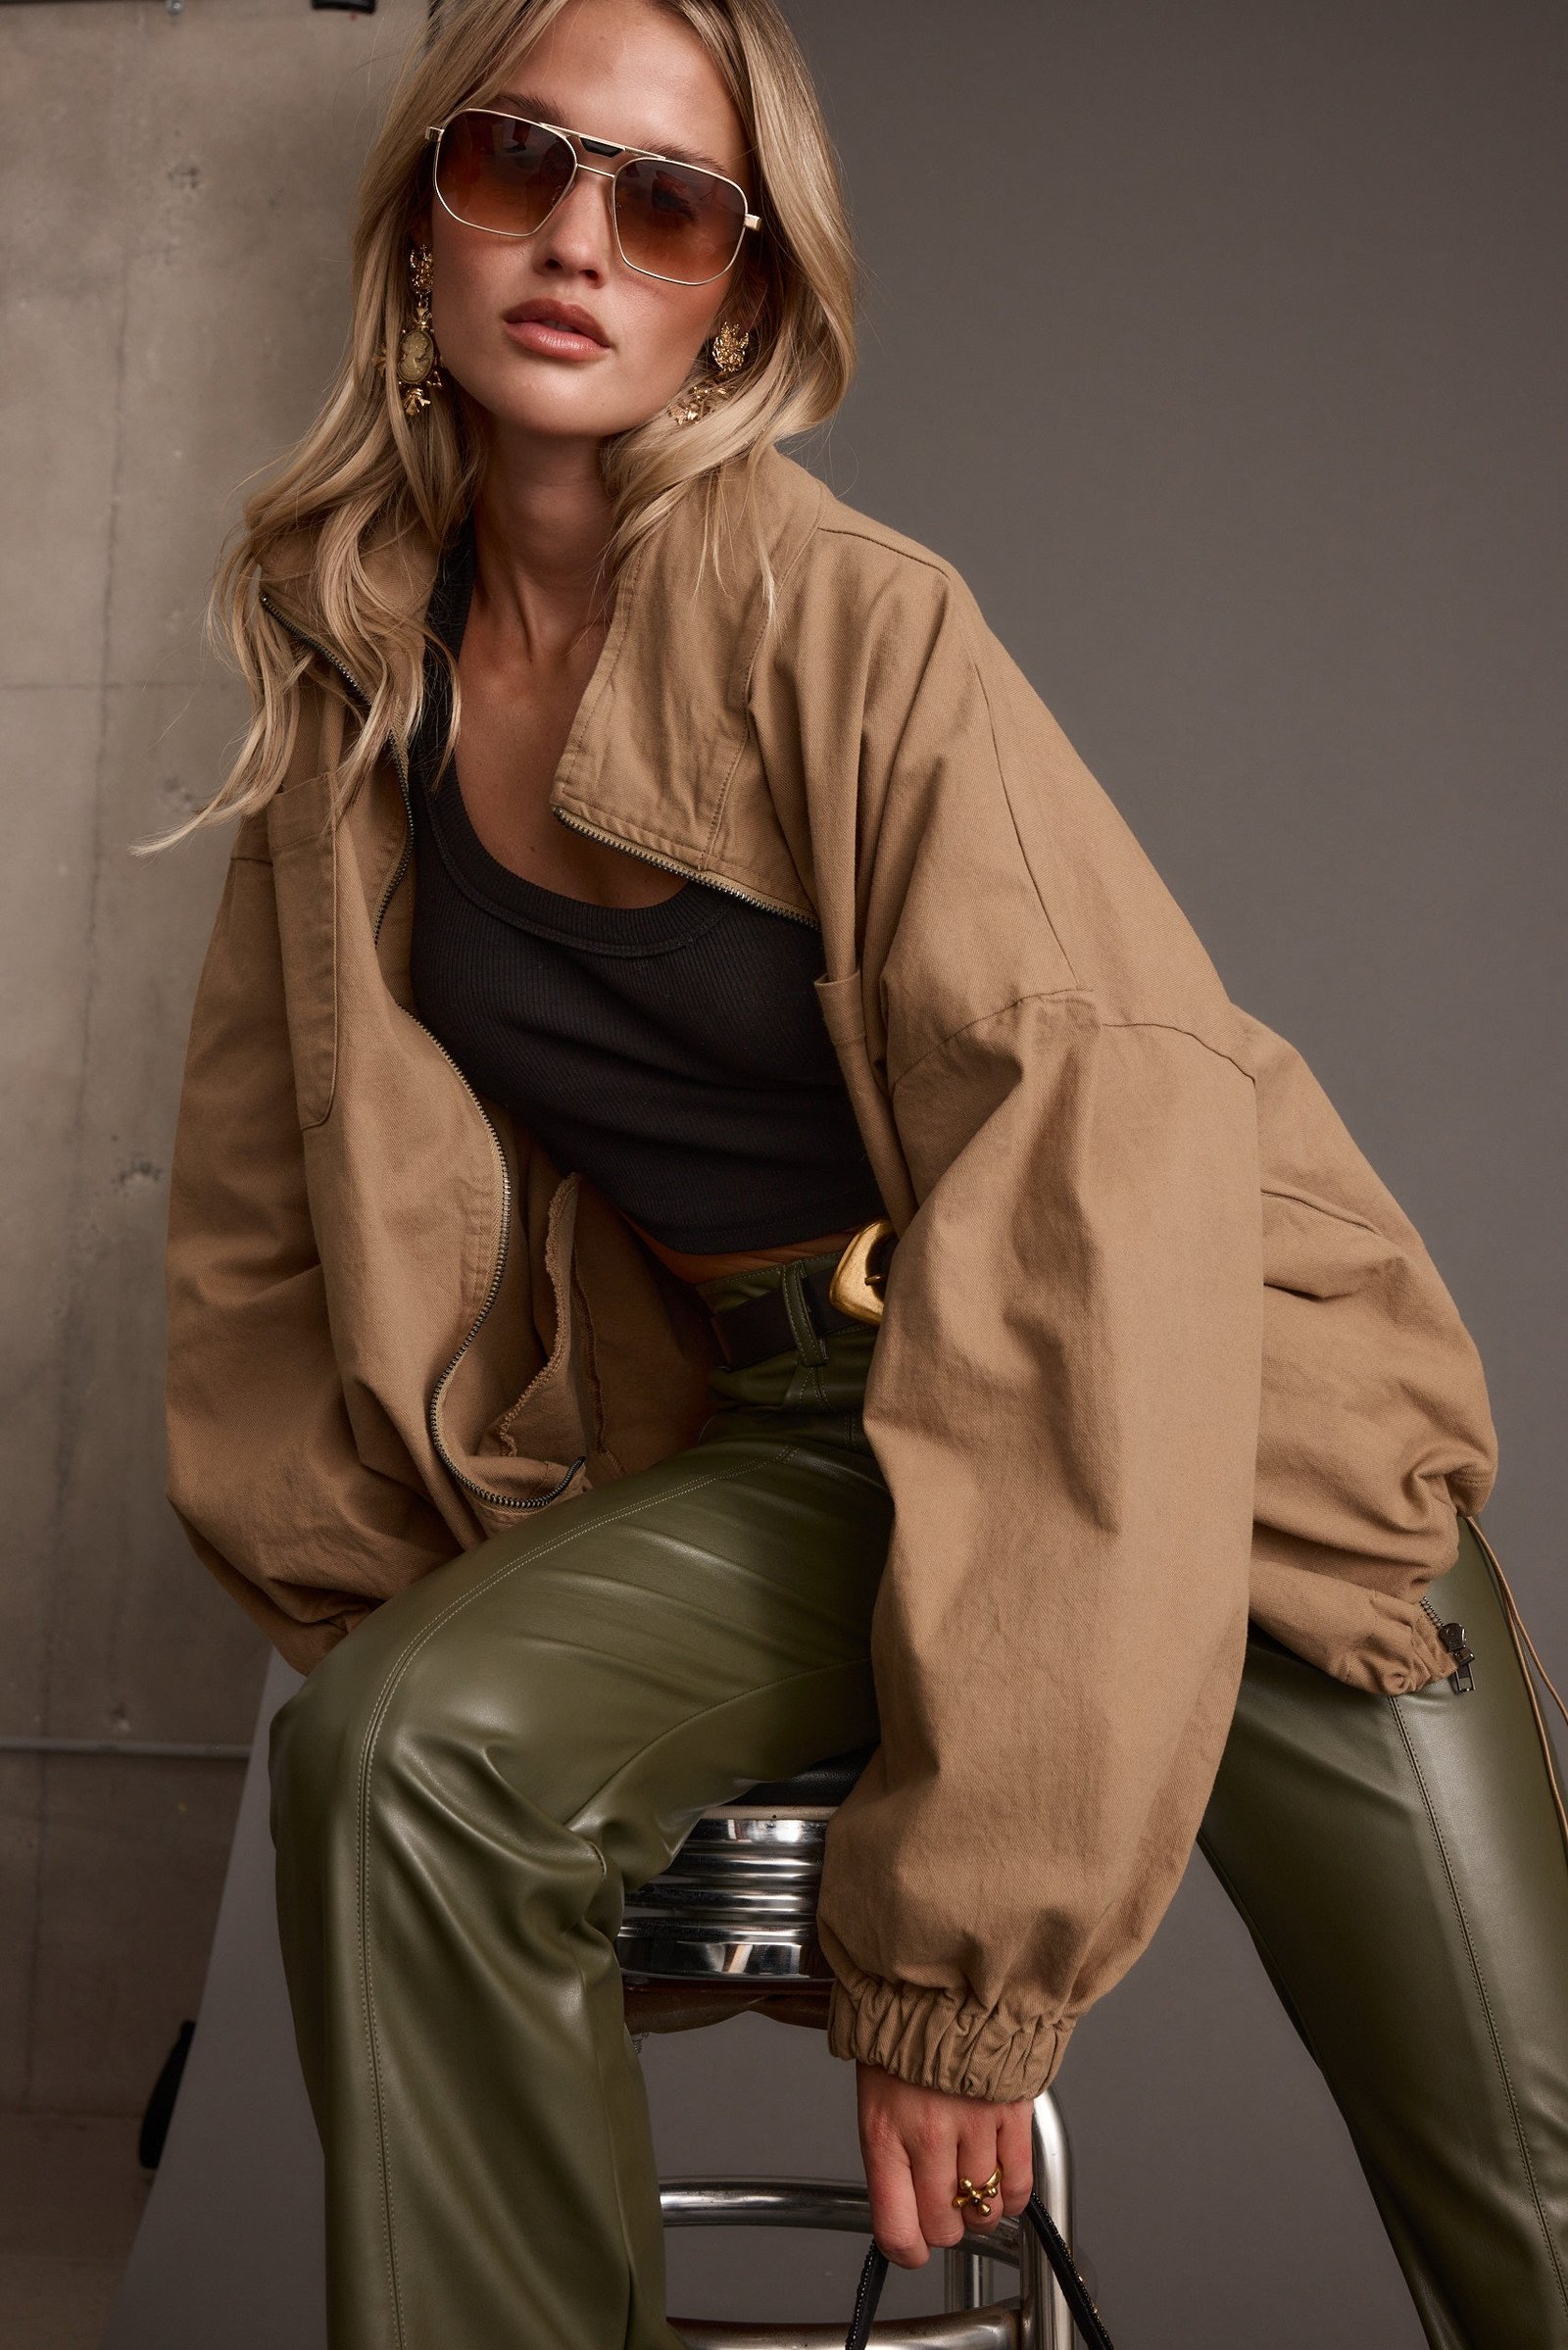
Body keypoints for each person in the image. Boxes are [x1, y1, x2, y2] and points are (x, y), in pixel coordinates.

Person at [153, 0, 1568, 2342]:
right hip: (804, 1432)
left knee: (1535, 2200)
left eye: (664, 203)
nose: (578, 242)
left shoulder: (851, 625)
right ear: (421, 222)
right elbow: (260, 1209)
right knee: (403, 1747)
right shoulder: (355, 668)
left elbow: (1094, 1207)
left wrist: (958, 1973)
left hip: (1194, 1427)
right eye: (517, 164)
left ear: (741, 294)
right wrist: (402, 1586)